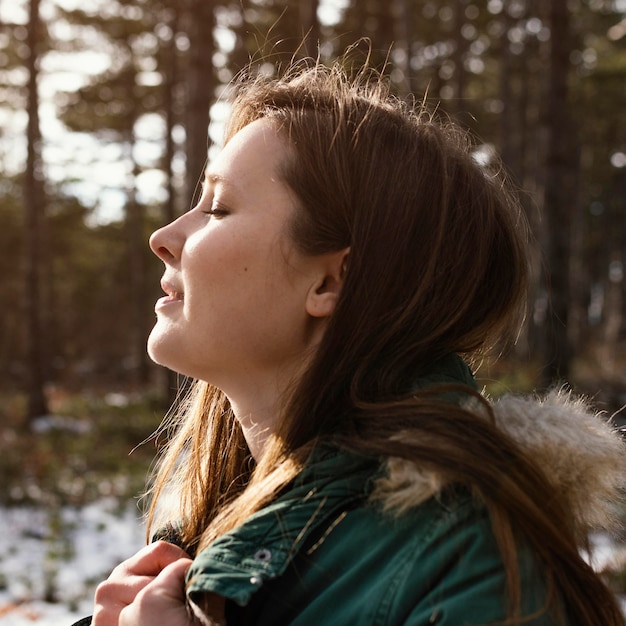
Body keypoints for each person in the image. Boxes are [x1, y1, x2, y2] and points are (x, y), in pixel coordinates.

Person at [84, 59, 626, 626]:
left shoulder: (465, 560)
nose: (163, 237)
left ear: (330, 281)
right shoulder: (216, 533)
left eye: (218, 207)